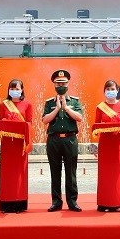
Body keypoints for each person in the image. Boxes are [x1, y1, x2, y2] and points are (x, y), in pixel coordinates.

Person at [42, 69, 83, 212]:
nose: (61, 85)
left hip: (70, 139)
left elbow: (80, 118)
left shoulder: (75, 101)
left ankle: (72, 202)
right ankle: (56, 202)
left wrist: (66, 108)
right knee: (55, 172)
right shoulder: (49, 102)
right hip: (54, 140)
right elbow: (44, 120)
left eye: (63, 83)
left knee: (71, 172)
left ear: (68, 84)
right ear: (54, 85)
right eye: (58, 83)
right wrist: (57, 108)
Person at [93, 79, 120, 212]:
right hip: (105, 144)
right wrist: (94, 147)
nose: (110, 92)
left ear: (117, 91)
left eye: (112, 89)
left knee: (117, 173)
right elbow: (95, 127)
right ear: (104, 92)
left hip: (118, 143)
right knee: (105, 173)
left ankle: (118, 202)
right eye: (108, 89)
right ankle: (104, 202)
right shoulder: (100, 107)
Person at [0, 79, 33, 213]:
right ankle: (6, 202)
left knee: (19, 173)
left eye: (17, 88)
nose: (14, 91)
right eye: (12, 88)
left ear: (22, 89)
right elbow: (1, 121)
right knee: (7, 173)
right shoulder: (4, 104)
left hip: (20, 144)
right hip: (7, 144)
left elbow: (29, 123)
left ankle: (19, 201)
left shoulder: (27, 104)